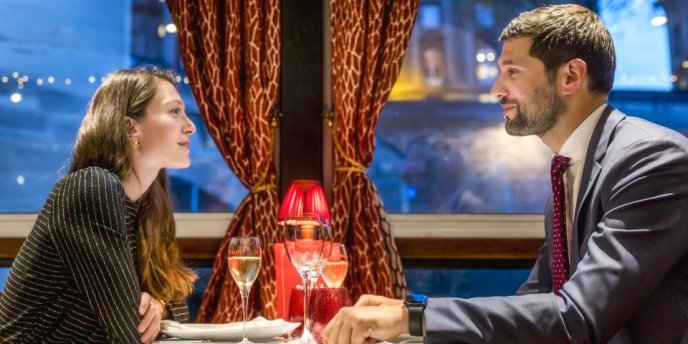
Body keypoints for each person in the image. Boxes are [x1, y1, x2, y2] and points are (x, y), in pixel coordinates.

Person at [324, 4, 688, 343]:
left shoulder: (651, 160)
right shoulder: (570, 169)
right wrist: (408, 319)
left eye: (512, 71)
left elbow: (578, 316)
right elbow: (538, 299)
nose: (497, 89)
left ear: (571, 77)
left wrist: (415, 317)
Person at [0, 68, 198, 343]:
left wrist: (158, 305)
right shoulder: (91, 189)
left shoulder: (148, 203)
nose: (190, 125)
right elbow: (130, 333)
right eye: (174, 112)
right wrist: (146, 310)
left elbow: (177, 308)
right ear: (131, 127)